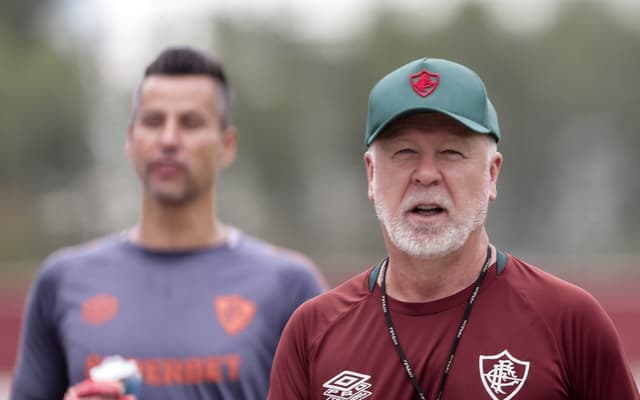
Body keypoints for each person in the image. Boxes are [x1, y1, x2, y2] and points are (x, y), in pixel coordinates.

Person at [267, 58, 639, 400]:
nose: (426, 175)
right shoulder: (312, 333)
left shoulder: (569, 323)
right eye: (405, 152)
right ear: (371, 174)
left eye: (451, 153)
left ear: (492, 174)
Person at [11, 46, 327, 400]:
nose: (168, 139)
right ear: (131, 140)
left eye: (190, 123)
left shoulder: (290, 287)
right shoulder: (62, 281)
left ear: (226, 145)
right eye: (153, 121)